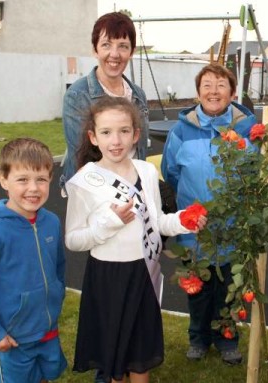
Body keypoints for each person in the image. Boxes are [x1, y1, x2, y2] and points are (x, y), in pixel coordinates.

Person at [64, 96, 202, 382]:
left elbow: (157, 221)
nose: (116, 140)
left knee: (140, 355)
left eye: (124, 131)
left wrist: (183, 221)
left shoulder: (147, 171)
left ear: (136, 134)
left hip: (142, 272)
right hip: (107, 277)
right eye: (106, 132)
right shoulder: (85, 180)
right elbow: (74, 240)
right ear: (93, 137)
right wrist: (110, 224)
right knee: (115, 357)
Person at [161, 63, 257, 365]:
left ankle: (227, 341)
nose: (213, 91)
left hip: (233, 225)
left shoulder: (246, 129)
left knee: (230, 287)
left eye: (220, 85)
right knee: (199, 287)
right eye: (207, 85)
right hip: (195, 225)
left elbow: (256, 173)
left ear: (232, 92)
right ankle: (198, 338)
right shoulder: (181, 130)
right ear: (198, 92)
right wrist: (193, 203)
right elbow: (171, 172)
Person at [0, 138, 67, 382]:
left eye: (41, 179)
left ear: (50, 179)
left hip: (47, 328)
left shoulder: (51, 222)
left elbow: (58, 267)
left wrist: (56, 296)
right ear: (3, 180)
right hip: (11, 337)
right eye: (23, 179)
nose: (33, 188)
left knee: (44, 376)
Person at [61, 11, 149, 191]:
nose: (114, 54)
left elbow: (139, 150)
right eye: (106, 45)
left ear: (131, 51)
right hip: (94, 189)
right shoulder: (78, 96)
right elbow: (82, 159)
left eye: (123, 46)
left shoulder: (138, 96)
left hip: (134, 187)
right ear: (95, 50)